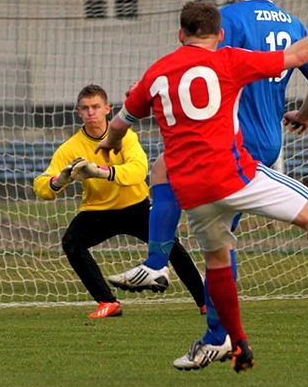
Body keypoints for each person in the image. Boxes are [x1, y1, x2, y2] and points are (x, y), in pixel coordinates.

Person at [97, 0, 308, 372]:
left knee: (217, 259)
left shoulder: (157, 73)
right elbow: (295, 56)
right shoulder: (229, 60)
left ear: (180, 34)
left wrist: (108, 147)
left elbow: (118, 126)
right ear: (221, 34)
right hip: (235, 176)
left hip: (193, 194)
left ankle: (235, 341)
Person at [109, 0, 308, 370]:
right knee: (213, 231)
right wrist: (303, 116)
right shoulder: (291, 22)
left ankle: (173, 283)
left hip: (229, 141)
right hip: (270, 137)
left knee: (183, 193)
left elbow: (202, 72)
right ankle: (206, 320)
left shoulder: (226, 22)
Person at [33, 84, 205, 318]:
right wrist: (59, 179)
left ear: (107, 108)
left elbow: (138, 170)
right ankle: (108, 302)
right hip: (98, 211)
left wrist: (100, 171)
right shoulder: (70, 147)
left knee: (170, 245)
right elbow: (42, 187)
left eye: (95, 107)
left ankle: (205, 302)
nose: (91, 112)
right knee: (72, 242)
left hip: (136, 206)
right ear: (78, 112)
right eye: (85, 108)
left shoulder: (126, 137)